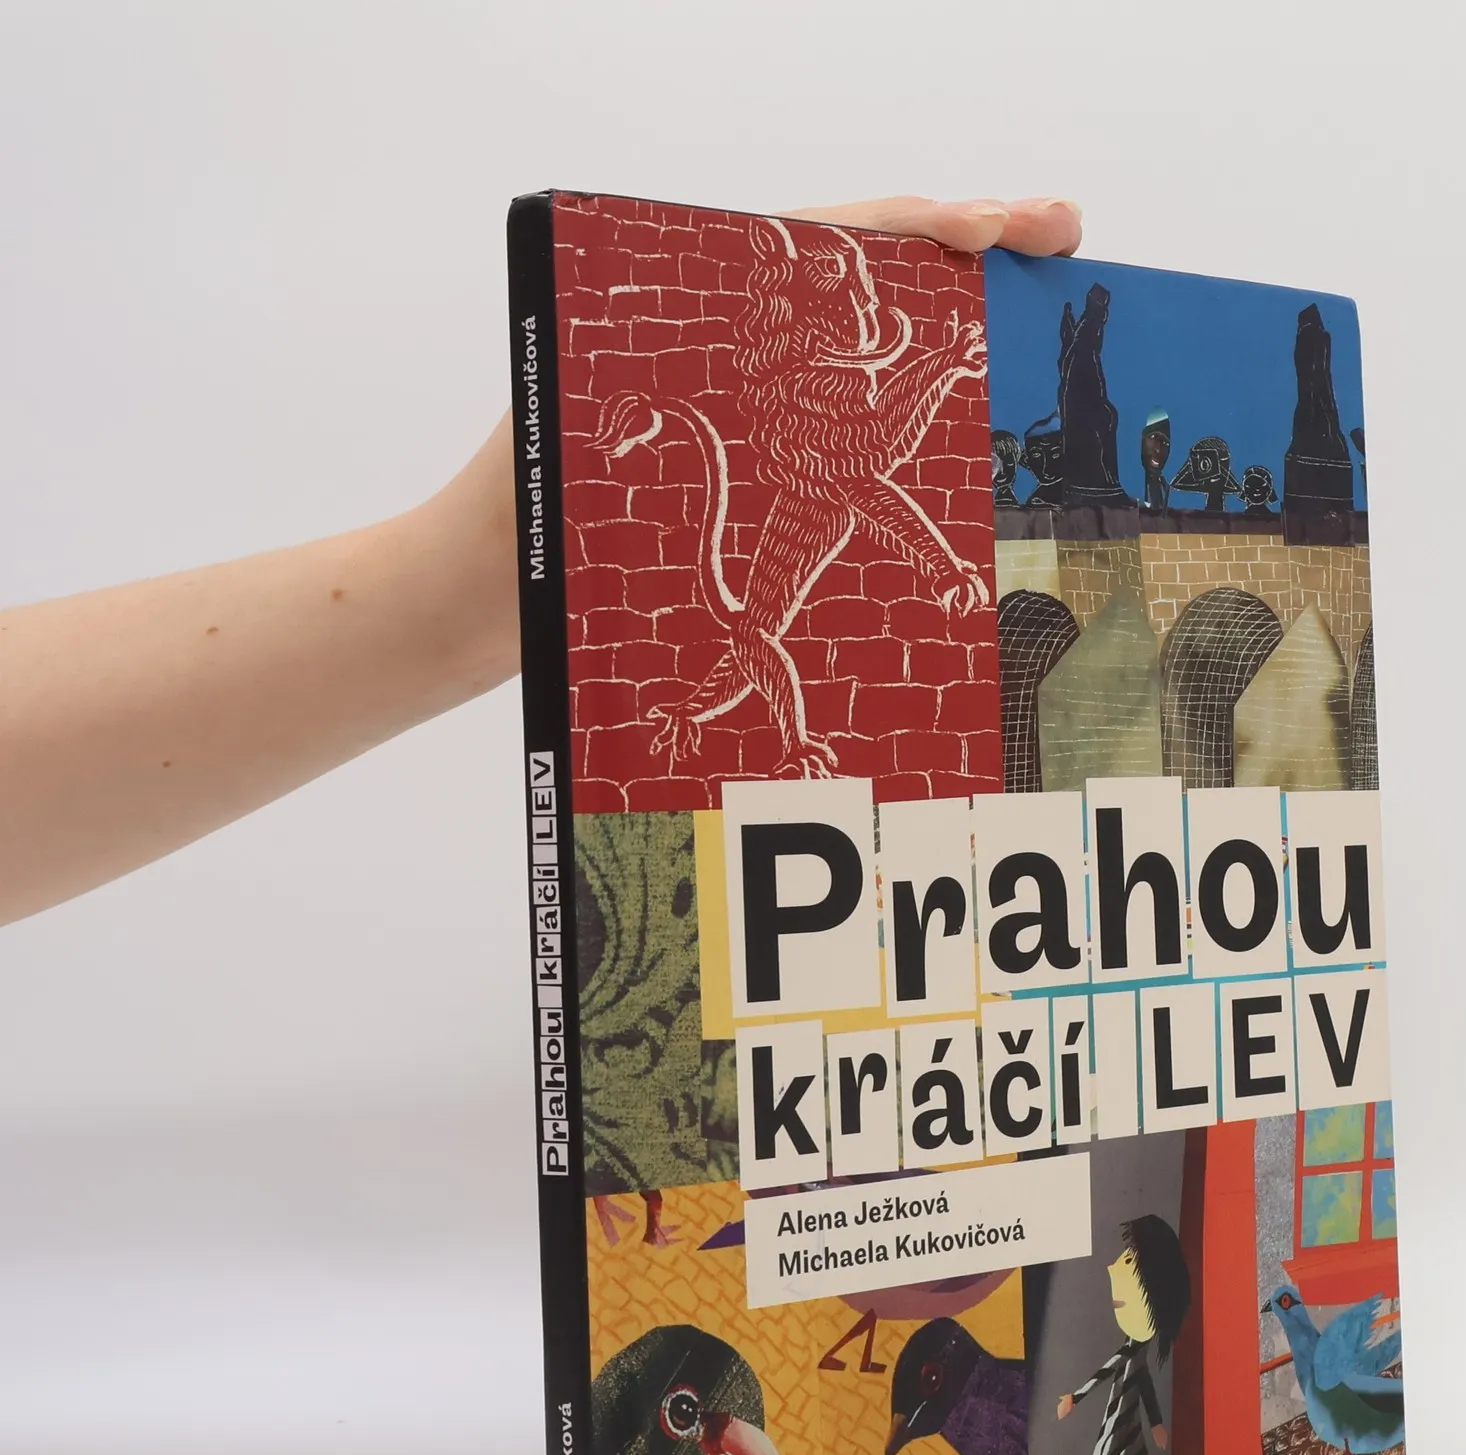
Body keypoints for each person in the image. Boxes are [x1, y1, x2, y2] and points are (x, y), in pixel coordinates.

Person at [0, 195, 1082, 929]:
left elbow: (869, 473)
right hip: (813, 518)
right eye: (846, 295)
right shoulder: (805, 389)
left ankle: (707, 709)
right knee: (757, 626)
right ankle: (765, 729)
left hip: (812, 518)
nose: (869, 310)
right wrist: (942, 388)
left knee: (754, 627)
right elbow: (867, 465)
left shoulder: (830, 374)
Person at [1055, 1212, 1191, 1455]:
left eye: (1130, 1262)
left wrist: (1075, 1398)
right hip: (1127, 1426)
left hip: (1118, 1427)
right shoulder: (1136, 1351)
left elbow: (1107, 1371)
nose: (1114, 1268)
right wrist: (1156, 1423)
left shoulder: (1132, 1351)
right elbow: (1143, 1384)